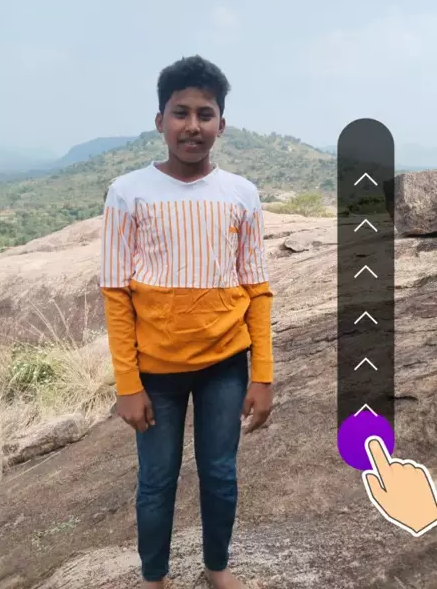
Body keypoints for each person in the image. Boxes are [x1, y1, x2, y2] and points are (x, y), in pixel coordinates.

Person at [100, 55, 274, 589]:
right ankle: (154, 577)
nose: (192, 125)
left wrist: (262, 375)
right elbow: (116, 295)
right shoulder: (128, 193)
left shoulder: (241, 194)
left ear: (222, 123)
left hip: (225, 366)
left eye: (205, 114)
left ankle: (216, 566)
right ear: (160, 121)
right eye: (181, 113)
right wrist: (127, 384)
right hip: (156, 372)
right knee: (156, 481)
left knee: (220, 475)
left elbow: (256, 289)